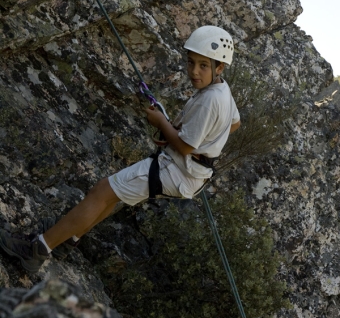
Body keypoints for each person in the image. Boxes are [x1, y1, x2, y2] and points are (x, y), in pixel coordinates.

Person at [0, 25, 241, 273]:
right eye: (191, 62)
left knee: (102, 191)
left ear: (219, 68)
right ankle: (67, 240)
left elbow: (185, 146)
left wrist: (161, 123)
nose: (194, 71)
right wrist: (210, 138)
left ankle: (35, 250)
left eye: (203, 66)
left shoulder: (211, 100)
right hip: (190, 173)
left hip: (178, 169)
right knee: (112, 195)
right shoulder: (223, 92)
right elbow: (235, 123)